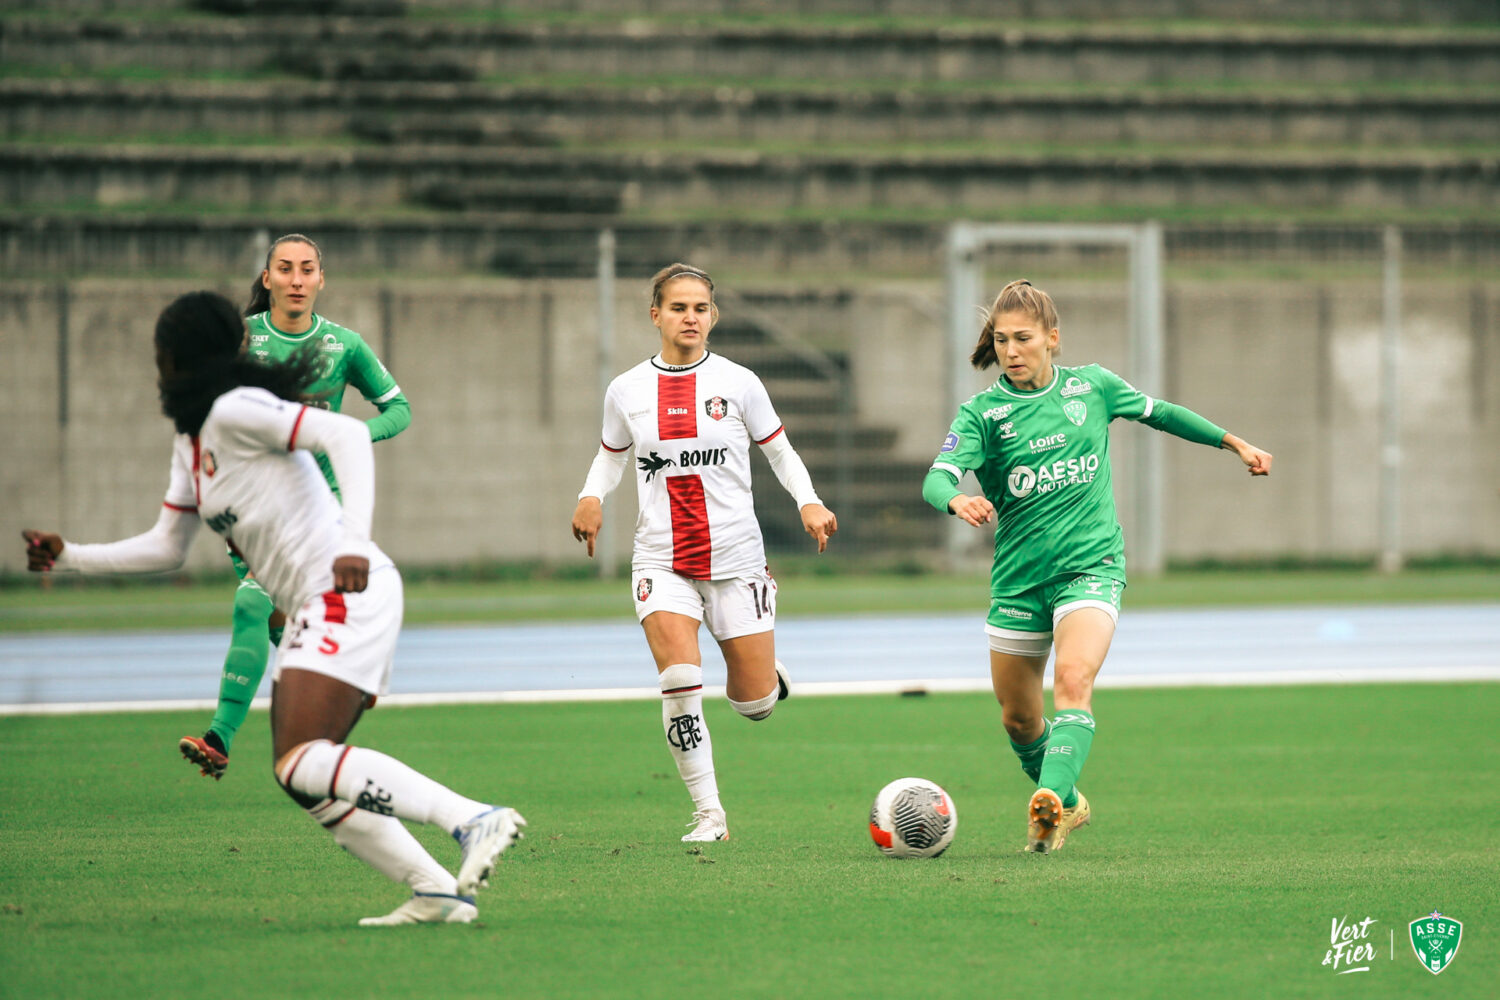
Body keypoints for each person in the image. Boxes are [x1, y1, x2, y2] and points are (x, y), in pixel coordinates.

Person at [22, 291, 520, 926]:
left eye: (162, 355)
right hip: (315, 603)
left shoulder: (238, 409)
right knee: (301, 776)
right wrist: (70, 557)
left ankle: (472, 819)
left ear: (182, 359)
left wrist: (354, 541)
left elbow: (345, 435)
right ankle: (436, 891)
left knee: (301, 757)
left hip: (344, 591)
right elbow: (167, 547)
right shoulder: (192, 441)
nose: (157, 368)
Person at [922, 279, 1271, 854]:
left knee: (1074, 681)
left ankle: (1050, 808)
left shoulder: (1094, 386)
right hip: (1018, 580)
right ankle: (1071, 799)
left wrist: (1233, 443)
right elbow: (937, 476)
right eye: (1002, 340)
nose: (1011, 351)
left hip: (1092, 566)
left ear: (1052, 339)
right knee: (1018, 719)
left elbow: (1164, 414)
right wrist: (956, 498)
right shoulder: (983, 414)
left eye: (1024, 339)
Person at [570, 263, 838, 842]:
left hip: (736, 559)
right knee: (680, 679)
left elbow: (782, 453)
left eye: (700, 308)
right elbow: (611, 454)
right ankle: (709, 813)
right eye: (677, 307)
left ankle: (767, 680)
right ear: (656, 315)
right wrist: (592, 497)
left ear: (713, 316)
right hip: (661, 559)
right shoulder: (627, 390)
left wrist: (808, 502)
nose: (689, 317)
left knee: (754, 705)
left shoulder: (741, 383)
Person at [177, 233, 411, 781]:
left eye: (307, 269)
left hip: (312, 511)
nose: (297, 279)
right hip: (249, 500)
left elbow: (398, 409)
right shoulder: (239, 341)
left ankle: (220, 737)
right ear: (268, 279)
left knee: (251, 606)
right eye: (285, 269)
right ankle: (354, 674)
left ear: (321, 280)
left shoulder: (343, 345)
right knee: (285, 623)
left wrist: (349, 434)